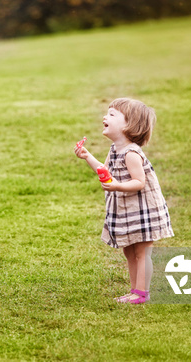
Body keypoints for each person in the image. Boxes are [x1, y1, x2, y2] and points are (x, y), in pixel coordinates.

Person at [74, 98, 173, 304]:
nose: (105, 117)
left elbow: (139, 182)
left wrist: (117, 185)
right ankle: (135, 291)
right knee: (129, 250)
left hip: (143, 209)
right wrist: (87, 156)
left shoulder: (131, 154)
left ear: (128, 125)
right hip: (129, 209)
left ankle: (142, 294)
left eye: (112, 114)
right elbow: (105, 171)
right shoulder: (114, 149)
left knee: (141, 252)